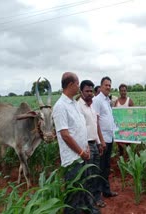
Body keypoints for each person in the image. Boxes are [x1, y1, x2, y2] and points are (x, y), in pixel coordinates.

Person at [52, 72, 99, 214]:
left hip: (82, 154)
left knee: (83, 187)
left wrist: (86, 148)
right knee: (73, 194)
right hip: (73, 159)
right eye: (78, 84)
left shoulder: (74, 103)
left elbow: (80, 128)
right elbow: (65, 135)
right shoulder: (60, 106)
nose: (79, 87)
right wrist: (80, 152)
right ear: (71, 84)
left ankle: (87, 209)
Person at [78, 80, 107, 208]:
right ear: (81, 92)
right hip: (86, 146)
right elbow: (79, 129)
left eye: (91, 91)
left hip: (94, 144)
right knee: (88, 175)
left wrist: (99, 142)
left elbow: (96, 125)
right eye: (87, 91)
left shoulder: (92, 105)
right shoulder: (78, 106)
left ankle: (96, 198)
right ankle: (89, 202)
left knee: (95, 173)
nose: (90, 93)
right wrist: (84, 147)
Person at [92, 76, 118, 198]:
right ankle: (97, 195)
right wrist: (101, 140)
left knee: (106, 167)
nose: (108, 87)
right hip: (103, 140)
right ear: (101, 86)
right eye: (106, 85)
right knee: (100, 168)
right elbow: (95, 121)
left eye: (109, 85)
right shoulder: (97, 100)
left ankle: (106, 191)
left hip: (109, 138)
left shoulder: (107, 100)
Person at [114, 83, 134, 156]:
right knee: (120, 146)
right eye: (121, 91)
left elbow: (134, 113)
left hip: (128, 127)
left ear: (126, 91)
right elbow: (114, 113)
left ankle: (129, 159)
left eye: (124, 91)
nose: (123, 92)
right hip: (119, 127)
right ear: (119, 91)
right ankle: (122, 160)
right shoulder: (117, 101)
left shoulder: (129, 101)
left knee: (128, 145)